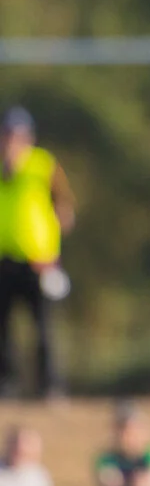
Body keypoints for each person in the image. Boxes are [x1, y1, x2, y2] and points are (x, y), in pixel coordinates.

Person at [0, 106, 76, 399]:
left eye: (17, 136)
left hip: (38, 262)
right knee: (3, 331)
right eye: (7, 135)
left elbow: (65, 209)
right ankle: (6, 386)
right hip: (3, 261)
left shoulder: (43, 166)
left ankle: (51, 387)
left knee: (44, 329)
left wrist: (50, 247)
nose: (12, 142)